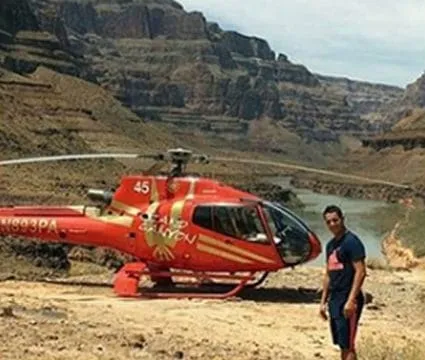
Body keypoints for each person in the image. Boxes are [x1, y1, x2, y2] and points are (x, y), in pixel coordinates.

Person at [319, 205, 367, 360]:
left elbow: (361, 271)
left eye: (335, 220)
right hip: (335, 299)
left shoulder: (351, 242)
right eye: (329, 222)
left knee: (349, 344)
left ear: (342, 219)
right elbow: (328, 274)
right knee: (342, 343)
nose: (332, 224)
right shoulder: (330, 245)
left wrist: (351, 300)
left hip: (348, 298)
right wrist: (323, 301)